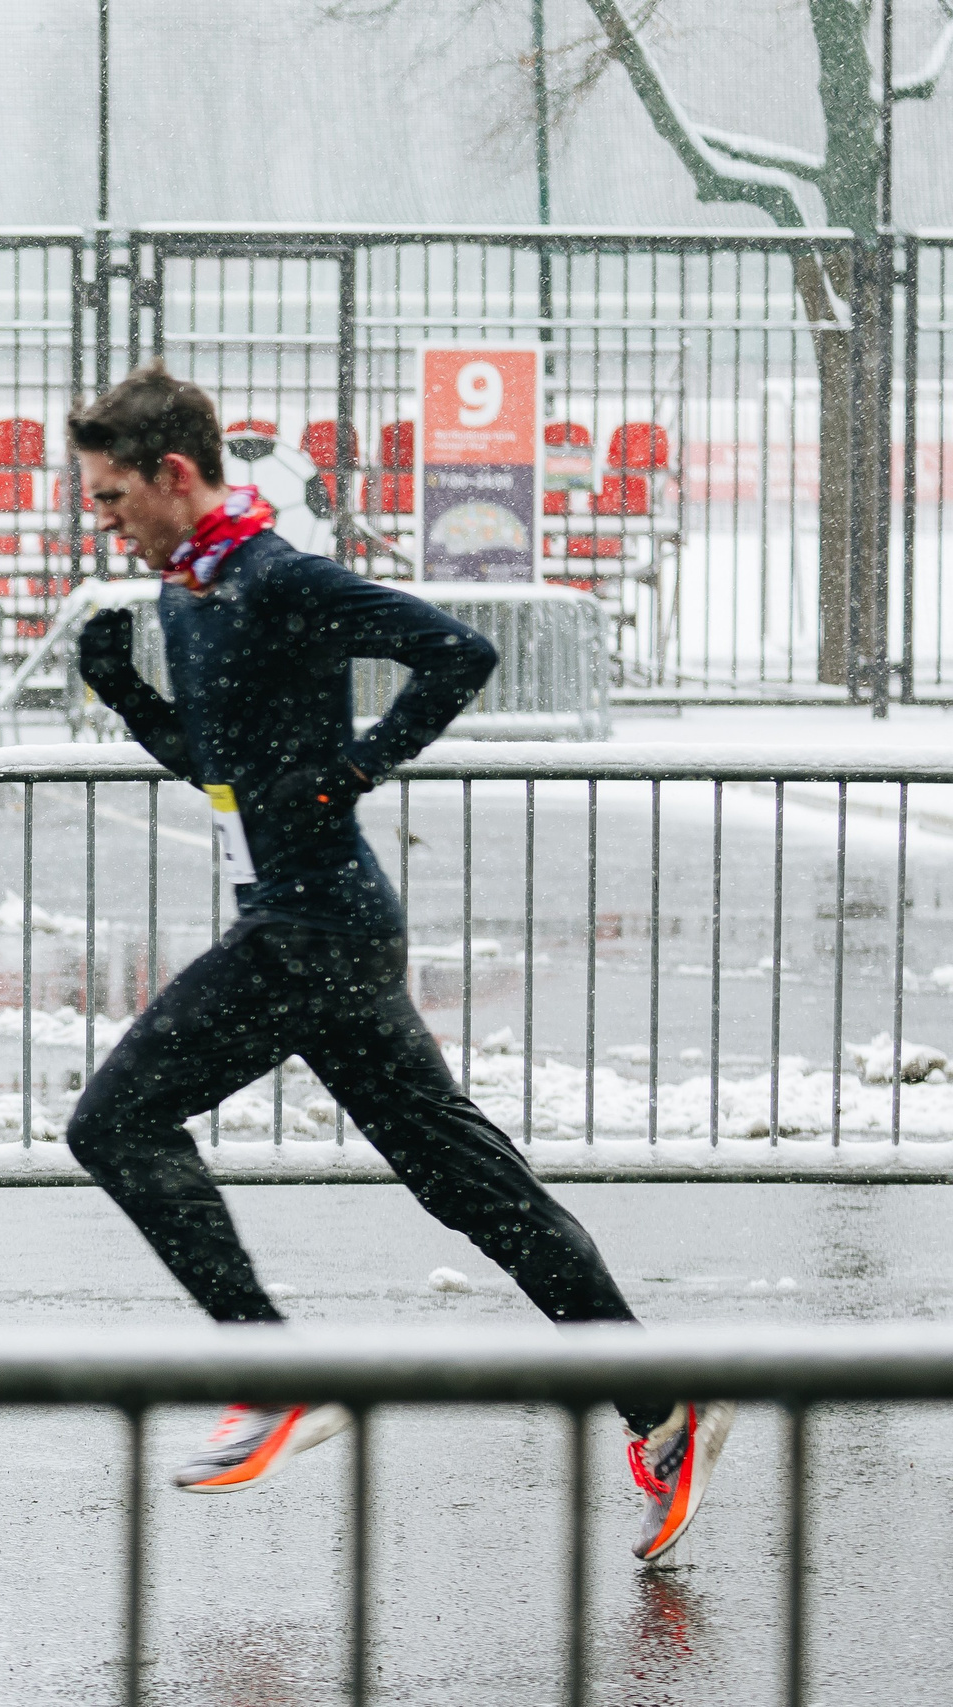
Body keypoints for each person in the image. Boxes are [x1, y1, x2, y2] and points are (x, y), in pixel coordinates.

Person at [66, 364, 730, 1560]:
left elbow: (456, 652)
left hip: (309, 928)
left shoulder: (278, 579)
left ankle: (275, 1375)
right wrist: (127, 700)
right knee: (469, 1186)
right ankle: (664, 1405)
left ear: (175, 474)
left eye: (112, 495)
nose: (99, 518)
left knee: (114, 1122)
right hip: (311, 923)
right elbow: (224, 776)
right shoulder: (191, 597)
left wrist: (359, 769)